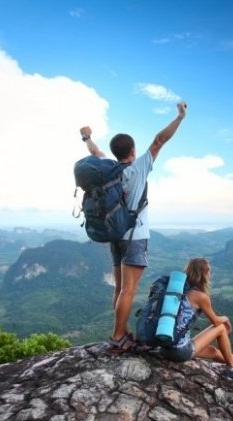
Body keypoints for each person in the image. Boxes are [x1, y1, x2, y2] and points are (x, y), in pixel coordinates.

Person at [79, 102, 187, 354]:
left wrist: (87, 137)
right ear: (133, 150)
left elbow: (96, 154)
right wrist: (180, 117)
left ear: (115, 152)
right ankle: (118, 336)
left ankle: (122, 329)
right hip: (135, 236)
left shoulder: (109, 171)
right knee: (129, 289)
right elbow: (160, 140)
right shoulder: (138, 169)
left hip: (114, 235)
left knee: (119, 288)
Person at [162, 257, 233, 378]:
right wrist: (226, 319)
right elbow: (216, 322)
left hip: (165, 348)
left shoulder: (177, 291)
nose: (210, 274)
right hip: (179, 351)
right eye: (209, 272)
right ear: (204, 274)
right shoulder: (200, 296)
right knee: (221, 328)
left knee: (213, 352)